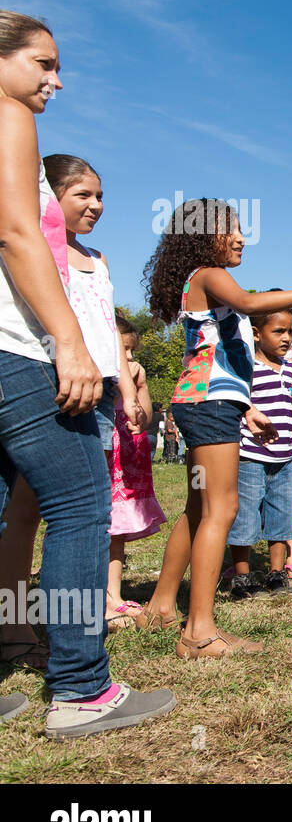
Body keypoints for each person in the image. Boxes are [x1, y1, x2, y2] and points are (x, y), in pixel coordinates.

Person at [0, 9, 173, 736]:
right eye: (43, 63)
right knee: (78, 508)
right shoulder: (7, 116)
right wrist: (69, 343)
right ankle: (79, 689)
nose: (55, 79)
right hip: (17, 349)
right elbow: (15, 232)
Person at [139, 196, 292, 658]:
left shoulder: (198, 280)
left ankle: (160, 605)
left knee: (198, 507)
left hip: (206, 401)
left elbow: (214, 354)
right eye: (229, 229)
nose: (240, 237)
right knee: (222, 509)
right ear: (201, 236)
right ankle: (199, 632)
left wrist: (244, 408)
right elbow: (251, 303)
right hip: (208, 403)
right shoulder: (209, 274)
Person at [0, 152, 150, 649]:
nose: (95, 205)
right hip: (55, 379)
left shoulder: (98, 259)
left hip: (100, 388)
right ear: (50, 196)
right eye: (82, 195)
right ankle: (16, 625)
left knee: (89, 505)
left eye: (100, 196)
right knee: (30, 509)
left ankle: (70, 616)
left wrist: (126, 390)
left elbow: (108, 330)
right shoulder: (37, 252)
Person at [227, 309, 292, 599]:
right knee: (247, 515)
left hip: (283, 458)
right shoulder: (246, 365)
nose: (286, 338)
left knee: (281, 513)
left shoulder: (291, 368)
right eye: (278, 332)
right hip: (251, 455)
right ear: (256, 333)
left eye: (289, 332)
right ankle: (242, 576)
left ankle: (276, 573)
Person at [106, 314, 167, 630]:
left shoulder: (135, 374)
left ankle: (113, 597)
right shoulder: (101, 372)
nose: (128, 357)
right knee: (97, 531)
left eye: (131, 351)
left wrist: (138, 384)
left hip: (126, 468)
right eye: (123, 350)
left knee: (116, 535)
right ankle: (96, 598)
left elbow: (144, 417)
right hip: (105, 466)